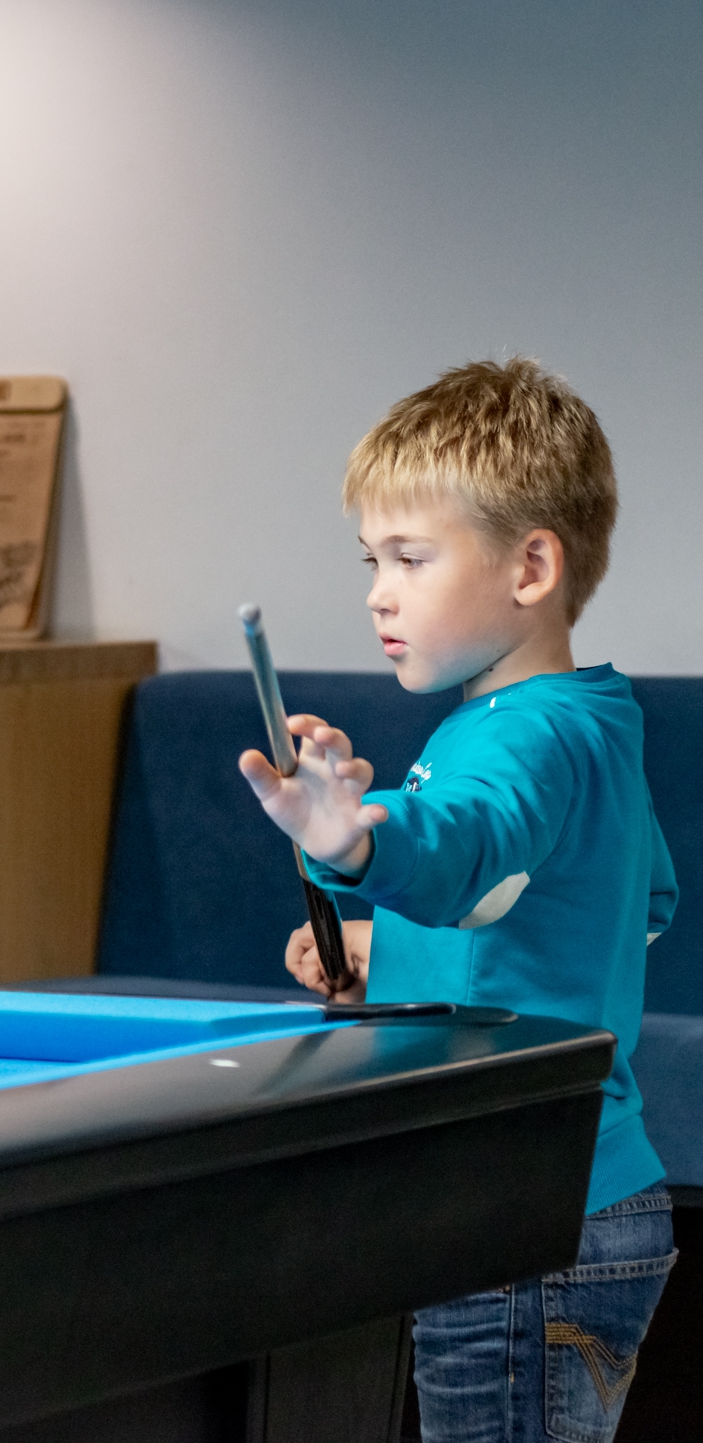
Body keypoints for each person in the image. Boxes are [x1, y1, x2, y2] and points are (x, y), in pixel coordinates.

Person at [240, 359, 677, 1443]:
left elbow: (465, 841)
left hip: (517, 1215)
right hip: (580, 1194)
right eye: (372, 560)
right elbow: (624, 905)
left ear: (532, 566)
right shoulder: (594, 719)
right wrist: (389, 950)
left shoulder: (520, 736)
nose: (378, 592)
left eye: (411, 557)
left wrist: (355, 839)